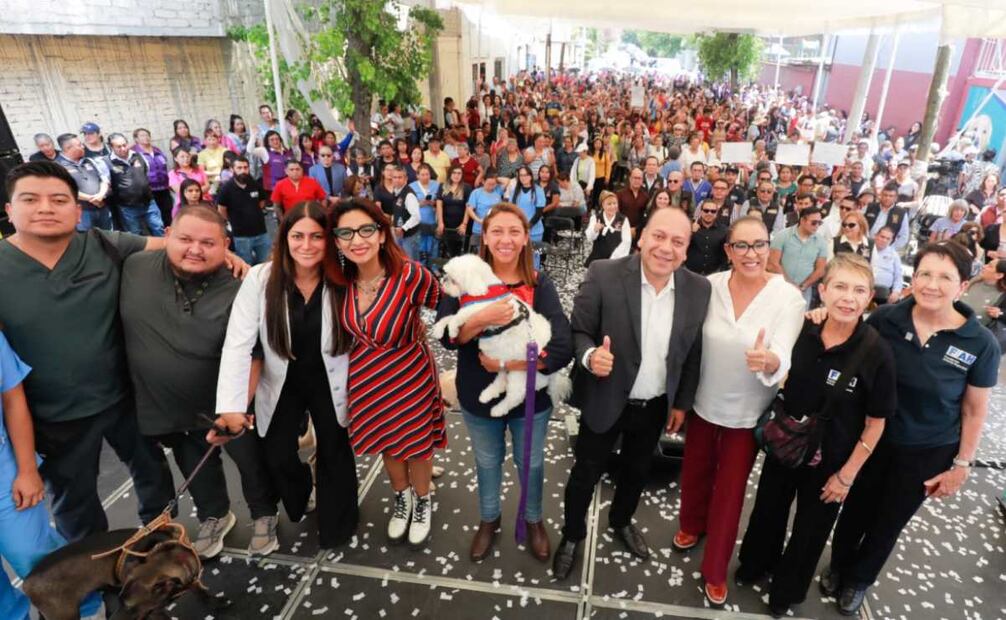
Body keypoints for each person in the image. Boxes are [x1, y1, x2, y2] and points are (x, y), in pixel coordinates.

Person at [0, 161, 185, 542]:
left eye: (58, 200)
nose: (46, 209)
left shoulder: (103, 244)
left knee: (153, 473)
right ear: (9, 210)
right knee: (74, 501)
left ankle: (162, 542)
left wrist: (226, 258)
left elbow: (175, 247)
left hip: (124, 398)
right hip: (51, 416)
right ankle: (96, 573)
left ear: (77, 208)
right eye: (31, 199)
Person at [819, 241, 999, 616]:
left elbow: (973, 409)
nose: (933, 285)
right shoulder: (887, 319)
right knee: (855, 509)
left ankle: (859, 580)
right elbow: (848, 338)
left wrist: (962, 465)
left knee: (889, 521)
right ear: (913, 278)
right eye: (925, 274)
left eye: (945, 277)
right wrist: (822, 314)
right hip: (872, 439)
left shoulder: (979, 343)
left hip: (927, 449)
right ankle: (839, 567)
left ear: (963, 286)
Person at [553, 207, 711, 581]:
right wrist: (591, 357)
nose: (666, 248)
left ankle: (621, 521)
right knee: (585, 473)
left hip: (655, 404)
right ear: (641, 237)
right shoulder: (604, 273)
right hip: (606, 397)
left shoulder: (698, 289)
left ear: (687, 250)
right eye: (659, 236)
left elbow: (693, 351)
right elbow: (579, 331)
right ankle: (572, 535)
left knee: (637, 471)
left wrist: (682, 403)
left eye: (677, 241)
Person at [735, 253, 896, 617]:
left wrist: (847, 475)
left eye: (858, 290)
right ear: (822, 290)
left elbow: (877, 422)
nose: (848, 298)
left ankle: (786, 591)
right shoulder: (803, 331)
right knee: (768, 510)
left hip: (833, 460)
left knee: (810, 531)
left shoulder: (876, 353)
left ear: (870, 296)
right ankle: (757, 563)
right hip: (788, 442)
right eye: (839, 286)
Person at [119, 205, 281, 557]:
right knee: (192, 460)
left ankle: (264, 512)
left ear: (226, 245)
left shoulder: (243, 284)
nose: (195, 249)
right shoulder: (133, 267)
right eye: (185, 239)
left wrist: (236, 409)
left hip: (229, 400)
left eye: (208, 242)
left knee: (251, 460)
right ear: (166, 236)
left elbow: (256, 352)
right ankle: (214, 514)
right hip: (168, 403)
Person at [672, 215, 805, 607]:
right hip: (702, 401)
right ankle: (691, 525)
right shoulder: (709, 287)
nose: (752, 254)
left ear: (769, 246)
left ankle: (715, 570)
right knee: (694, 472)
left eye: (759, 245)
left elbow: (783, 350)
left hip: (747, 413)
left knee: (729, 493)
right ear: (728, 251)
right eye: (742, 246)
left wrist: (770, 362)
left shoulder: (788, 298)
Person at [214, 201, 358, 549]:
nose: (306, 245)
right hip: (282, 379)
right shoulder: (261, 279)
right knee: (277, 454)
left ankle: (339, 521)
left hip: (329, 377)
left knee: (335, 450)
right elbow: (238, 343)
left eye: (316, 236)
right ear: (284, 237)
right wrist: (230, 406)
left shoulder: (344, 276)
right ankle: (302, 494)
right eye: (298, 236)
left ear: (330, 240)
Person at [436, 202, 572, 563]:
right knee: (486, 460)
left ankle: (533, 520)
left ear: (527, 238)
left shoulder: (540, 285)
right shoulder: (464, 282)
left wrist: (507, 363)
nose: (506, 240)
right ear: (485, 237)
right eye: (497, 231)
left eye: (514, 231)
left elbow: (561, 346)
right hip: (478, 394)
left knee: (531, 463)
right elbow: (448, 337)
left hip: (531, 397)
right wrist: (482, 318)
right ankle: (489, 518)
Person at [327, 199, 445, 548]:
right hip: (365, 376)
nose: (357, 240)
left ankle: (422, 501)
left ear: (381, 234)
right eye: (346, 233)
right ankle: (402, 497)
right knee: (387, 442)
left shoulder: (410, 275)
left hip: (409, 372)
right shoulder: (338, 280)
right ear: (336, 241)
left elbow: (451, 308)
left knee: (417, 443)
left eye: (366, 229)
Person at [0, 330, 103, 620]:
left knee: (36, 558)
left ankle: (88, 612)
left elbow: (12, 400)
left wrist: (27, 470)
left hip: (5, 479)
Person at [768, 206, 829, 307]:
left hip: (804, 291)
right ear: (802, 220)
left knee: (799, 320)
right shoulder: (782, 236)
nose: (817, 226)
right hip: (778, 287)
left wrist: (803, 286)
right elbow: (772, 263)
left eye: (820, 223)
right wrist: (789, 285)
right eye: (814, 222)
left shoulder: (821, 242)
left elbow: (820, 270)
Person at [217, 156, 272, 266]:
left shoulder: (255, 184)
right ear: (232, 169)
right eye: (239, 168)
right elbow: (222, 210)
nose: (243, 170)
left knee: (266, 264)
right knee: (246, 266)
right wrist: (233, 220)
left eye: (245, 167)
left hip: (261, 232)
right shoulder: (226, 189)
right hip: (241, 236)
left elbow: (261, 202)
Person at [106, 133, 164, 237]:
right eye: (119, 147)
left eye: (124, 145)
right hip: (127, 207)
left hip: (148, 202)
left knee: (158, 227)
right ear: (111, 147)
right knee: (135, 234)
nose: (123, 148)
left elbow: (146, 173)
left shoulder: (138, 156)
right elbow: (107, 183)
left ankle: (165, 250)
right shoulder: (107, 162)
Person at [55, 133, 111, 231]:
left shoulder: (89, 161)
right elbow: (62, 191)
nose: (83, 147)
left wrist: (100, 195)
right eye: (79, 145)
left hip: (102, 207)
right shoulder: (57, 167)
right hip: (82, 213)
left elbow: (104, 180)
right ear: (68, 148)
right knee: (87, 241)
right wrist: (92, 199)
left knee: (108, 238)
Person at [960, 259, 1006, 350]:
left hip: (970, 335)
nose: (984, 266)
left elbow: (1003, 315)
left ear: (999, 275)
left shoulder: (1002, 295)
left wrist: (1000, 313)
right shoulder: (975, 280)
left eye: (990, 266)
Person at [132, 128, 174, 226]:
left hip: (164, 187)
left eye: (147, 135)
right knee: (156, 216)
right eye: (142, 135)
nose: (146, 137)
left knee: (168, 211)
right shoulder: (135, 153)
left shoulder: (157, 150)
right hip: (149, 189)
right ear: (136, 139)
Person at [584, 190, 631, 266]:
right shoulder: (596, 218)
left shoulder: (623, 219)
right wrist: (595, 229)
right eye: (609, 204)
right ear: (603, 205)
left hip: (616, 260)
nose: (612, 206)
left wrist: (615, 258)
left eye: (614, 203)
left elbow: (627, 241)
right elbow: (589, 237)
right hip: (598, 258)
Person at [685, 199, 729, 275]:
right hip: (690, 272)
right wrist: (691, 232)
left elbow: (725, 254)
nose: (709, 213)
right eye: (706, 210)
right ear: (701, 212)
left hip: (714, 273)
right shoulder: (689, 227)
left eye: (713, 211)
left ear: (716, 213)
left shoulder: (724, 230)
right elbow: (682, 245)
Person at [409, 163, 441, 265]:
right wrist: (419, 204)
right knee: (420, 245)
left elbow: (441, 202)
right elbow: (408, 205)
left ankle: (433, 267)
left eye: (427, 174)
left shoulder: (436, 185)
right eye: (422, 174)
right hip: (419, 220)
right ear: (417, 175)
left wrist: (434, 203)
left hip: (432, 219)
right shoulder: (412, 186)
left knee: (433, 245)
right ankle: (421, 267)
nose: (425, 177)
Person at [864, 182, 909, 250]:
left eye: (891, 196)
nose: (887, 198)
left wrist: (890, 249)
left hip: (886, 249)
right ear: (881, 195)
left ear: (896, 198)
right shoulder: (869, 207)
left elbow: (904, 236)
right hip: (866, 244)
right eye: (885, 195)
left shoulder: (901, 213)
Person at [466, 171, 504, 251]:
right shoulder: (476, 193)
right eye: (489, 184)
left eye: (493, 184)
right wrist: (479, 220)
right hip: (479, 228)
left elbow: (507, 181)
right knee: (481, 252)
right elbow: (469, 210)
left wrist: (496, 179)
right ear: (483, 181)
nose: (491, 186)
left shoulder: (498, 191)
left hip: (495, 228)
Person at [168, 148, 209, 218]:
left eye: (188, 156)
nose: (186, 159)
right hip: (184, 204)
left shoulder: (199, 169)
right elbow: (179, 190)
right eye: (182, 157)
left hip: (204, 201)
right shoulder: (173, 173)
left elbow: (207, 186)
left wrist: (195, 193)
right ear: (175, 159)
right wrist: (196, 192)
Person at [870, 226, 904, 304]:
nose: (884, 240)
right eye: (882, 237)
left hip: (884, 295)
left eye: (888, 239)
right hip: (865, 289)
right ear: (876, 236)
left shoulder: (894, 255)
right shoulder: (867, 249)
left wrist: (896, 292)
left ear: (891, 240)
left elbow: (898, 276)